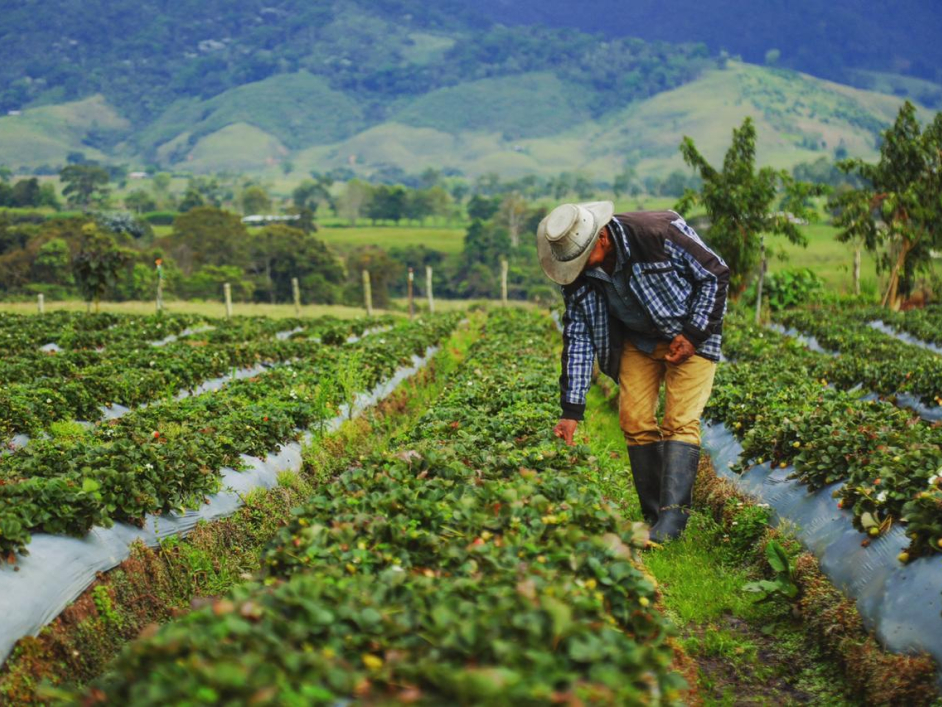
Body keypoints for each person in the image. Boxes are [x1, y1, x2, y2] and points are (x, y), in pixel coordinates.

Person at [537, 201, 729, 542]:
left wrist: (693, 334)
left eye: (582, 259)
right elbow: (578, 336)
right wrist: (571, 410)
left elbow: (714, 274)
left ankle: (673, 521)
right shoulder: (578, 278)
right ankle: (655, 513)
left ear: (601, 239)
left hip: (691, 336)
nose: (577, 268)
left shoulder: (658, 232)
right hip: (638, 341)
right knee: (634, 421)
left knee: (680, 422)